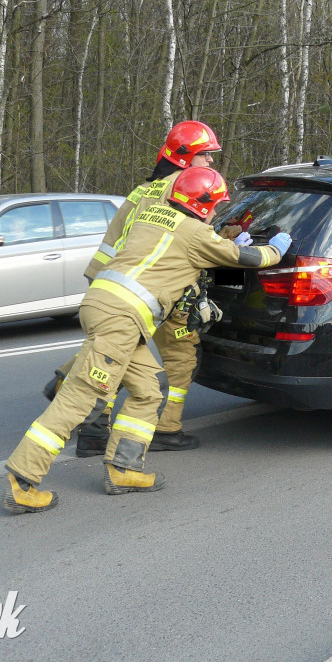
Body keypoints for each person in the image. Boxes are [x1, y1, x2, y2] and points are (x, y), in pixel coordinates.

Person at [3, 167, 292, 513]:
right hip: (121, 319)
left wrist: (223, 240)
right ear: (201, 205)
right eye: (214, 204)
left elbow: (176, 252)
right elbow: (248, 259)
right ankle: (23, 480)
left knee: (148, 389)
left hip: (104, 305)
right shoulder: (196, 234)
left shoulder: (154, 214)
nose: (216, 211)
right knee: (80, 398)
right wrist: (275, 248)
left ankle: (124, 469)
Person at [45, 120, 246, 456]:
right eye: (206, 155)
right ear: (186, 158)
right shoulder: (183, 189)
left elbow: (113, 243)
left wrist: (102, 281)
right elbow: (190, 244)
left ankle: (89, 420)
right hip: (159, 291)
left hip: (113, 285)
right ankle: (165, 430)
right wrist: (234, 243)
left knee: (111, 354)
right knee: (181, 359)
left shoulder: (144, 189)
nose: (210, 162)